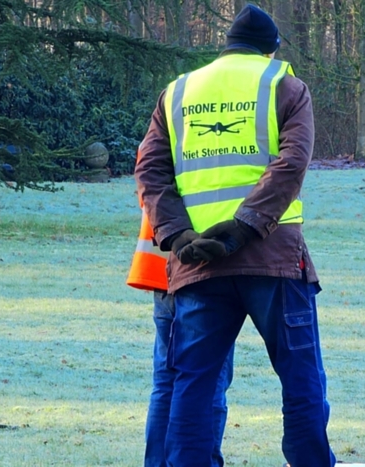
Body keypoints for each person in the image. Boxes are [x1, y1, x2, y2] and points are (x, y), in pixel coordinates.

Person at [134, 3, 336, 466]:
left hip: (197, 263)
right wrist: (245, 227)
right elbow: (291, 163)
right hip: (273, 259)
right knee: (301, 379)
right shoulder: (285, 86)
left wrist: (178, 235)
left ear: (226, 46)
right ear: (272, 50)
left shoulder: (178, 92)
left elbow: (149, 169)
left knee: (193, 384)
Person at [126, 145, 235, 467]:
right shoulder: (214, 149)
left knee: (166, 381)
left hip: (163, 274)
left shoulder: (162, 138)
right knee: (208, 379)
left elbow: (149, 195)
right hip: (203, 274)